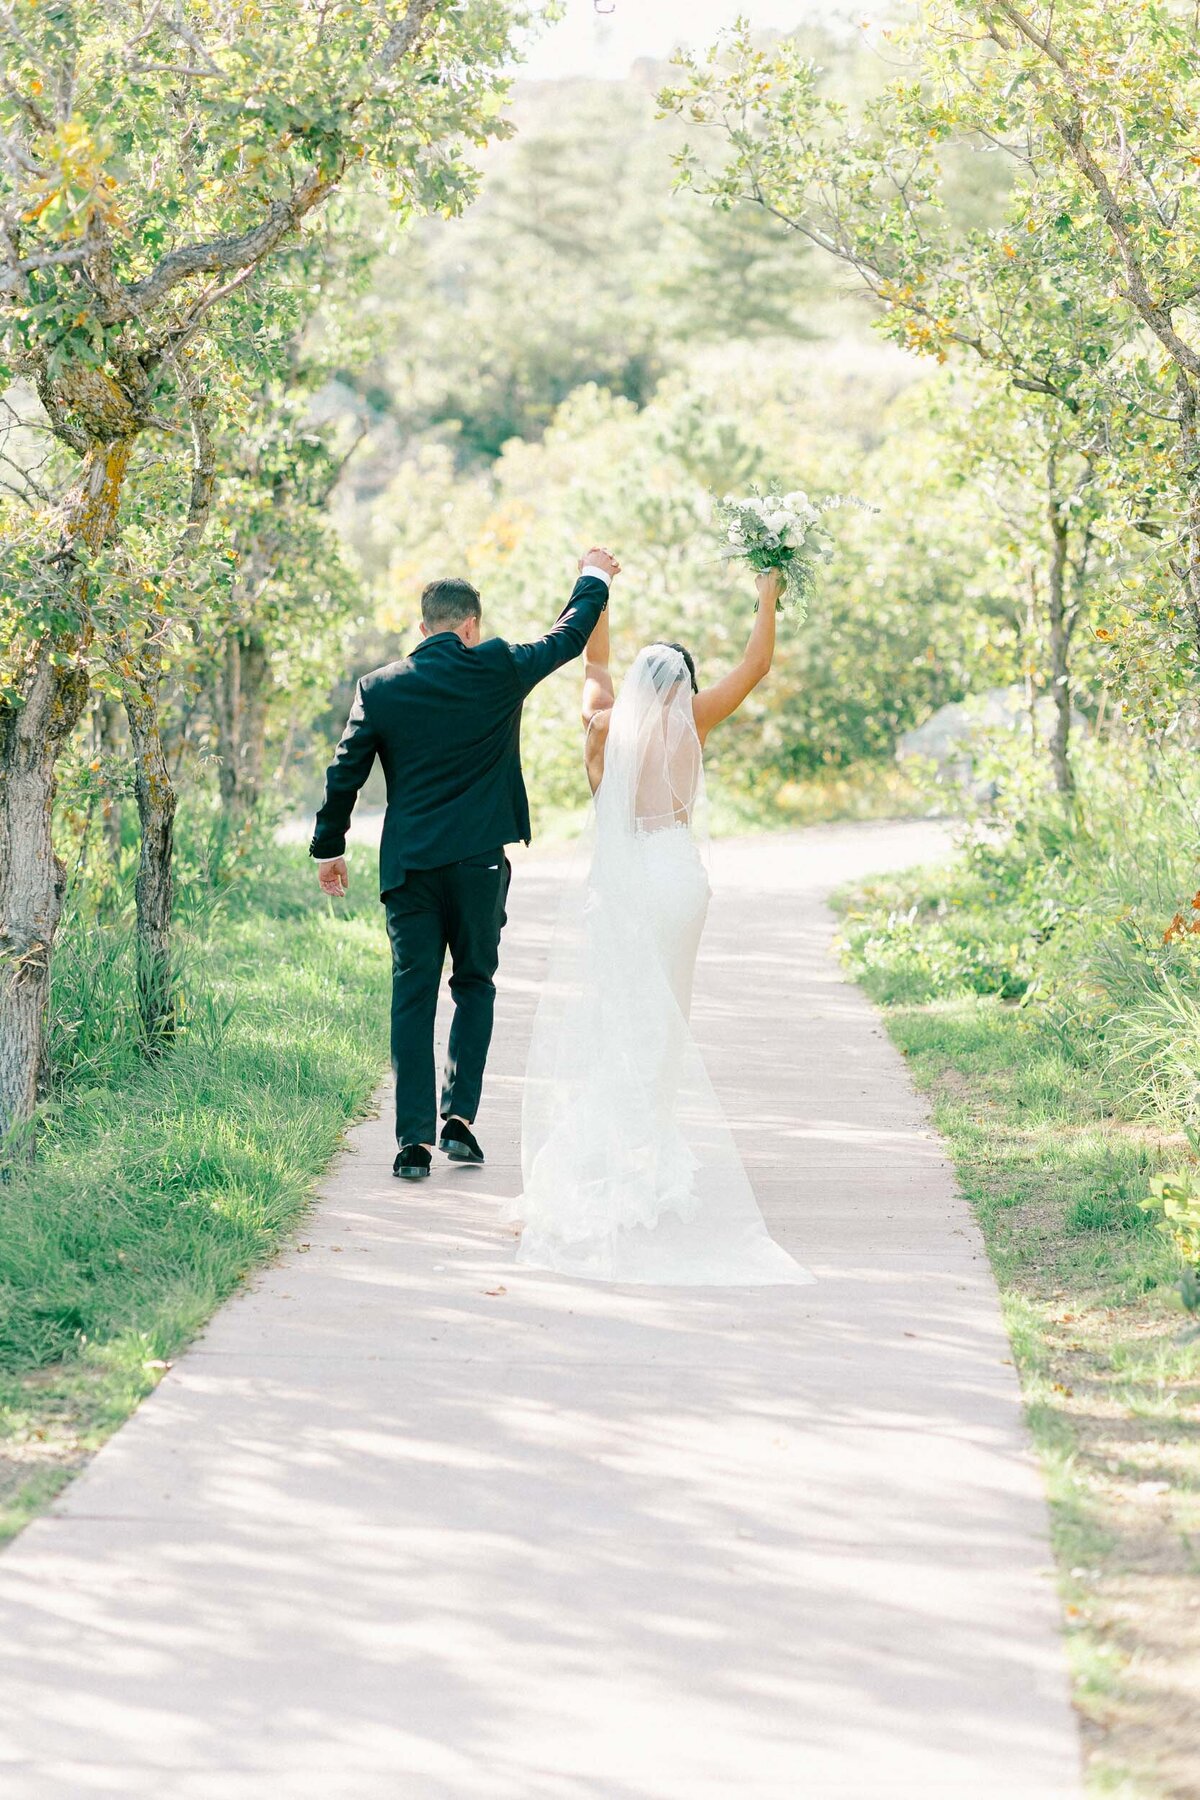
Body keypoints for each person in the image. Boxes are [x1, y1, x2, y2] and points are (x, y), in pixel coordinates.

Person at [513, 568, 813, 1285]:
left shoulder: (602, 725)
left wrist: (598, 592)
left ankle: (614, 1150)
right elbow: (758, 665)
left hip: (622, 886)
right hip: (677, 880)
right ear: (682, 686)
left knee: (620, 1011)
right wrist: (768, 595)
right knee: (669, 1016)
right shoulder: (694, 721)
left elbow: (592, 663)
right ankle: (652, 1145)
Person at [310, 550, 620, 1180]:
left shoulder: (383, 686)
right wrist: (595, 577)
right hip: (480, 864)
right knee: (474, 984)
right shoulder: (500, 667)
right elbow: (569, 635)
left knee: (412, 996)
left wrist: (330, 847)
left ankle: (411, 1141)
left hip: (412, 869)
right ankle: (460, 1120)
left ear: (425, 629)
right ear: (471, 626)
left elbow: (345, 771)